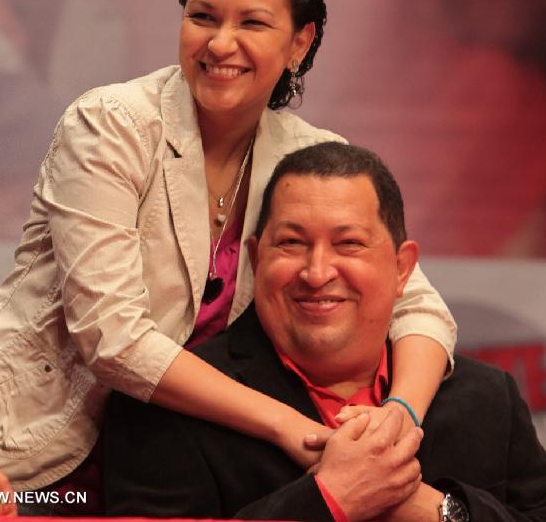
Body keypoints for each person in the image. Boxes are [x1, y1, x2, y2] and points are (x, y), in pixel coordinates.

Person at [0, 0, 456, 512]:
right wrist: (287, 426)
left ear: (299, 43)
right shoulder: (110, 123)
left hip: (153, 456)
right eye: (203, 16)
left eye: (252, 23)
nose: (221, 44)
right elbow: (111, 336)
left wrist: (401, 415)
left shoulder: (307, 158)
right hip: (3, 447)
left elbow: (415, 301)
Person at [104, 142, 546, 522]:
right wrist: (327, 501)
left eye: (348, 244)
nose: (316, 273)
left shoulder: (489, 398)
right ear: (257, 262)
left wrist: (442, 511)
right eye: (292, 243)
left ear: (402, 268)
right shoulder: (164, 409)